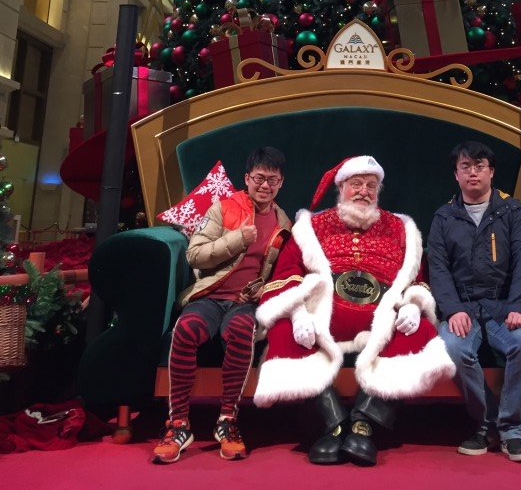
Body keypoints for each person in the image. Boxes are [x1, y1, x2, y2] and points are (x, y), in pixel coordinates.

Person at [254, 155, 454, 466]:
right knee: (283, 331)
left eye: (371, 186)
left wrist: (414, 304)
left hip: (383, 314)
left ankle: (364, 424)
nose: (363, 191)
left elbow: (418, 278)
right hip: (323, 313)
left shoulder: (401, 228)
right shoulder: (311, 226)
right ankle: (332, 424)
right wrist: (299, 314)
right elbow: (287, 273)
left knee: (422, 331)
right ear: (341, 188)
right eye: (356, 184)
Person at [153, 145, 291, 464]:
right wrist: (237, 239)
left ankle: (228, 420)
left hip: (246, 304)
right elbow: (195, 255)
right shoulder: (224, 208)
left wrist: (264, 289)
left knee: (242, 330)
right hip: (210, 296)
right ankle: (178, 424)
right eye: (259, 178)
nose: (265, 185)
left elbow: (285, 272)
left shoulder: (284, 223)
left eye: (273, 180)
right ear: (247, 178)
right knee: (186, 329)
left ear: (281, 183)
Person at [427, 140, 521, 463]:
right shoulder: (444, 217)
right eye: (465, 167)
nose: (472, 173)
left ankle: (512, 430)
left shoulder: (512, 211)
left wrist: (519, 306)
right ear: (456, 174)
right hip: (463, 306)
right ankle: (486, 423)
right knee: (452, 348)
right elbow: (438, 269)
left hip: (504, 305)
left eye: (479, 166)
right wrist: (452, 310)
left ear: (491, 172)